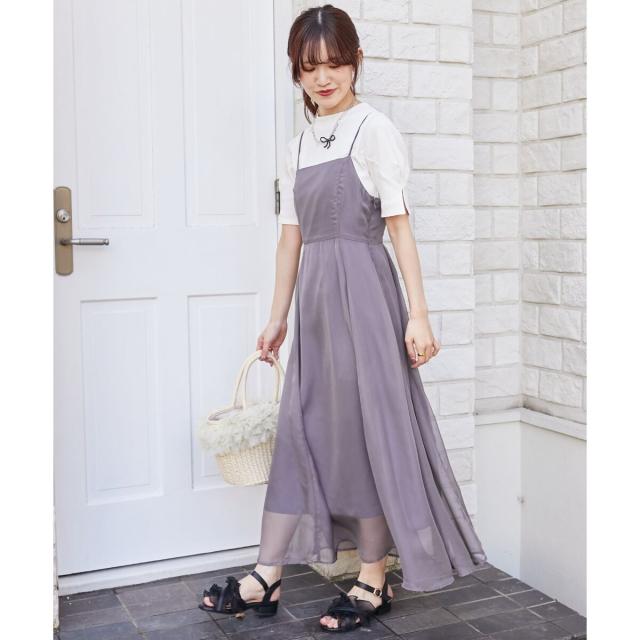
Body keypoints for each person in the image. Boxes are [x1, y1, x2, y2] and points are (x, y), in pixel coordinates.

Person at [200, 4, 488, 633]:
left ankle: (374, 578)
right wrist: (277, 316)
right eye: (310, 67)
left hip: (367, 297)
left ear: (356, 62)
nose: (323, 77)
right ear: (296, 72)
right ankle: (268, 572)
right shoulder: (298, 146)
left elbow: (400, 229)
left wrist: (419, 315)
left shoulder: (374, 130)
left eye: (334, 63)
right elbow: (290, 239)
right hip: (316, 308)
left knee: (368, 433)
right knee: (302, 429)